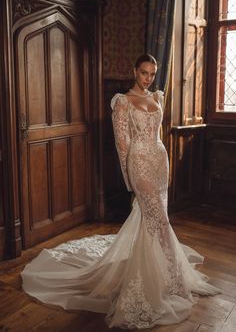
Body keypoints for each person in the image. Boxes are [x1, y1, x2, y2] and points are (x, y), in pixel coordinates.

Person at [21, 54, 220, 329]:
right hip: (138, 163)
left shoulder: (158, 97)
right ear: (134, 71)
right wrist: (131, 181)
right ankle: (171, 278)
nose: (148, 78)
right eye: (143, 73)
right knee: (159, 221)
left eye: (152, 73)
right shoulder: (122, 103)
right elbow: (122, 145)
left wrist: (165, 166)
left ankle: (166, 275)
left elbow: (159, 137)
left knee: (159, 219)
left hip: (159, 161)